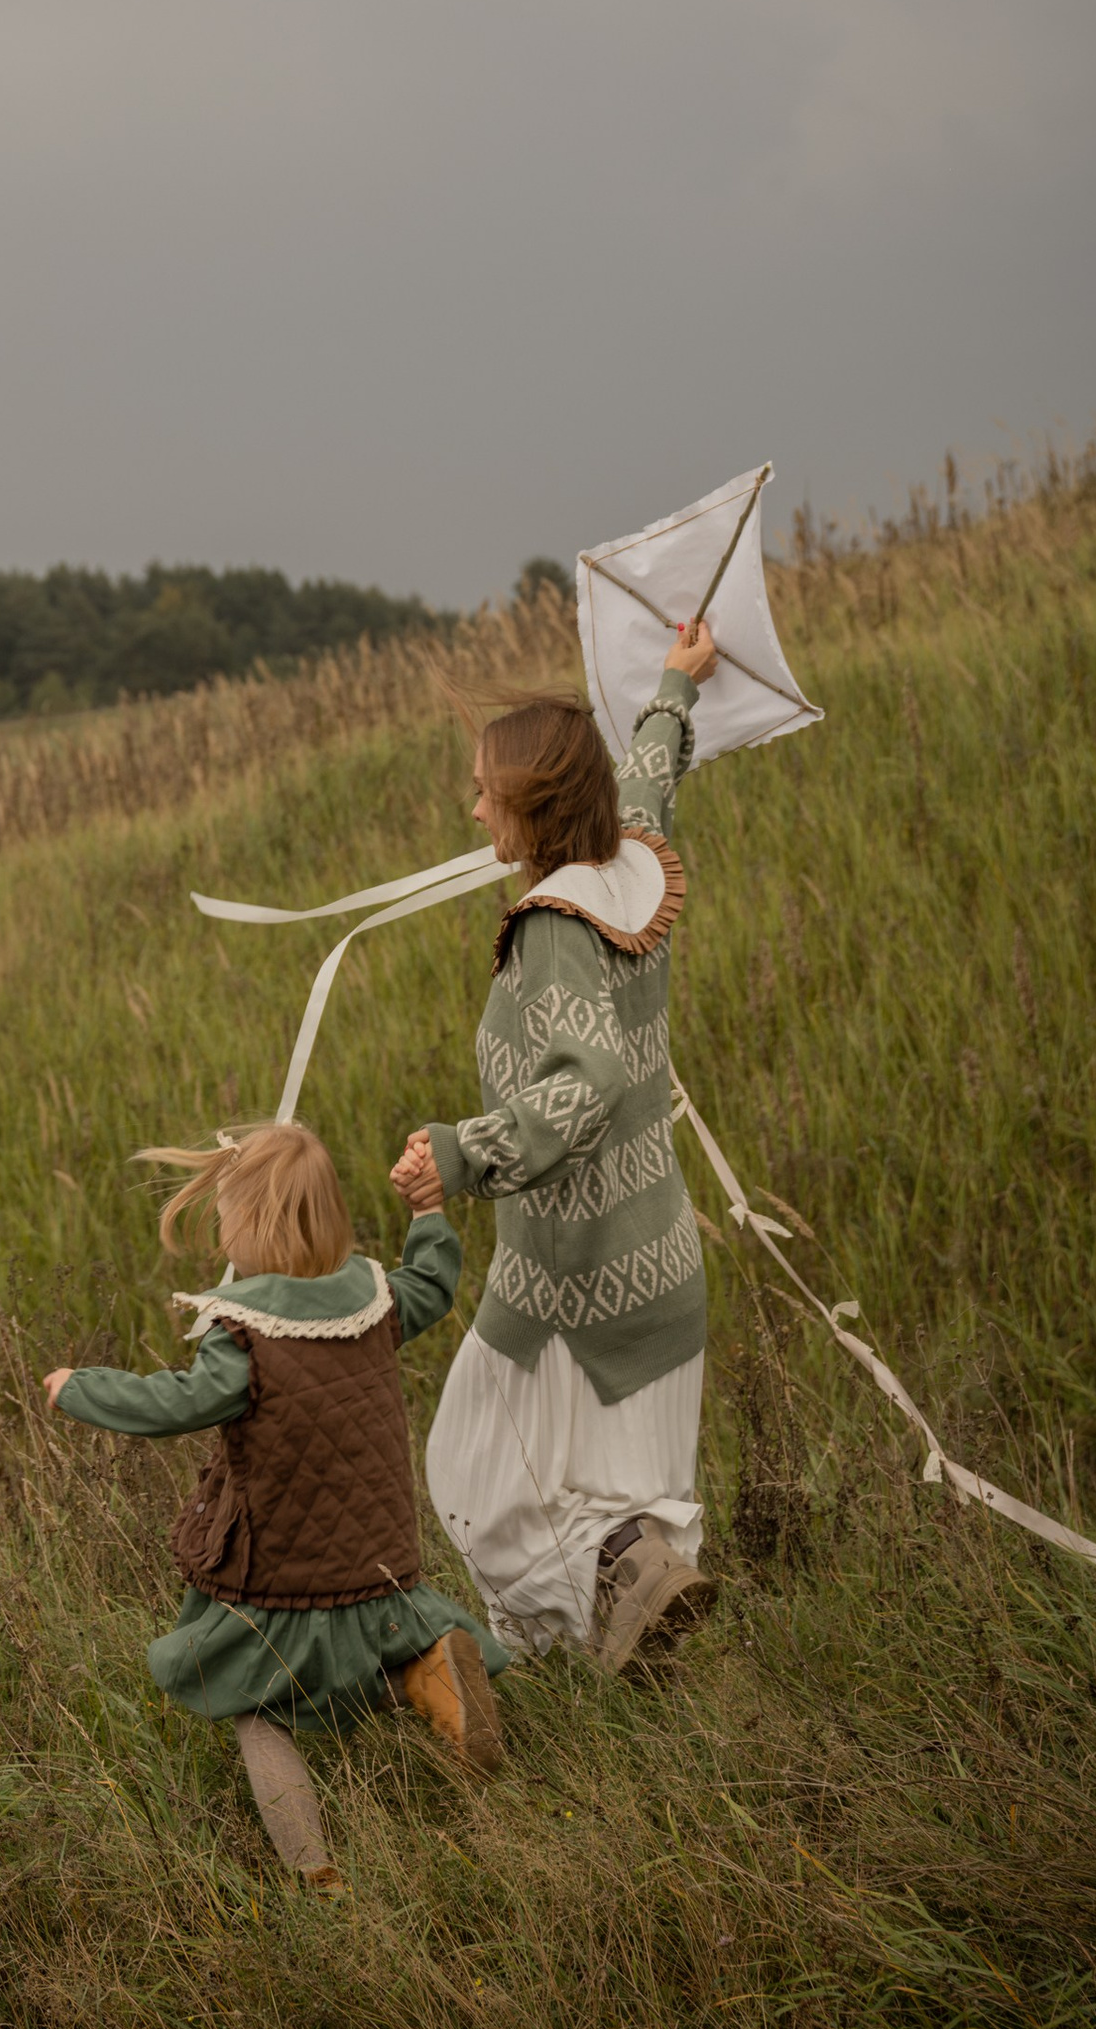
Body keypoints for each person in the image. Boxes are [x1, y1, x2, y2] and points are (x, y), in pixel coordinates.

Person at [41, 1119, 507, 1897]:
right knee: (363, 1653)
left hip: (283, 1563)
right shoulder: (375, 1298)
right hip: (379, 1553)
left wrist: (81, 1388)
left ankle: (313, 1873)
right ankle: (429, 1677)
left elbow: (179, 1402)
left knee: (259, 1707)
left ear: (253, 1227)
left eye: (225, 1213)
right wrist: (429, 1216)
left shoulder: (244, 1337)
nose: (220, 1228)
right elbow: (433, 1285)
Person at [391, 616, 720, 1673]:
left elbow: (584, 1087)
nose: (472, 805)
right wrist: (674, 683)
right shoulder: (629, 862)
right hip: (660, 1260)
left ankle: (612, 1578)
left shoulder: (550, 925)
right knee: (627, 1500)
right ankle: (630, 1630)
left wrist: (459, 1155)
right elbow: (649, 780)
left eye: (485, 790)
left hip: (571, 1285)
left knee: (476, 1480)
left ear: (533, 802)